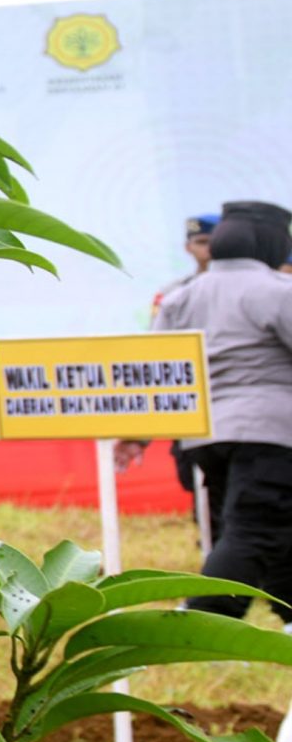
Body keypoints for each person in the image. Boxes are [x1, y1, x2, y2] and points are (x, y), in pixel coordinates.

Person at [120, 200, 292, 623]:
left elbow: (161, 369)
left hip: (204, 434)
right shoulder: (278, 291)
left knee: (271, 531)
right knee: (256, 531)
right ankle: (198, 622)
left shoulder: (181, 297)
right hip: (269, 432)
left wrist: (138, 434)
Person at [152, 214, 222, 544]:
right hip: (192, 402)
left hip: (232, 397)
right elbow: (158, 347)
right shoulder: (172, 294)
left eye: (213, 241)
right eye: (201, 242)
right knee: (191, 476)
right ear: (188, 247)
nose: (207, 249)